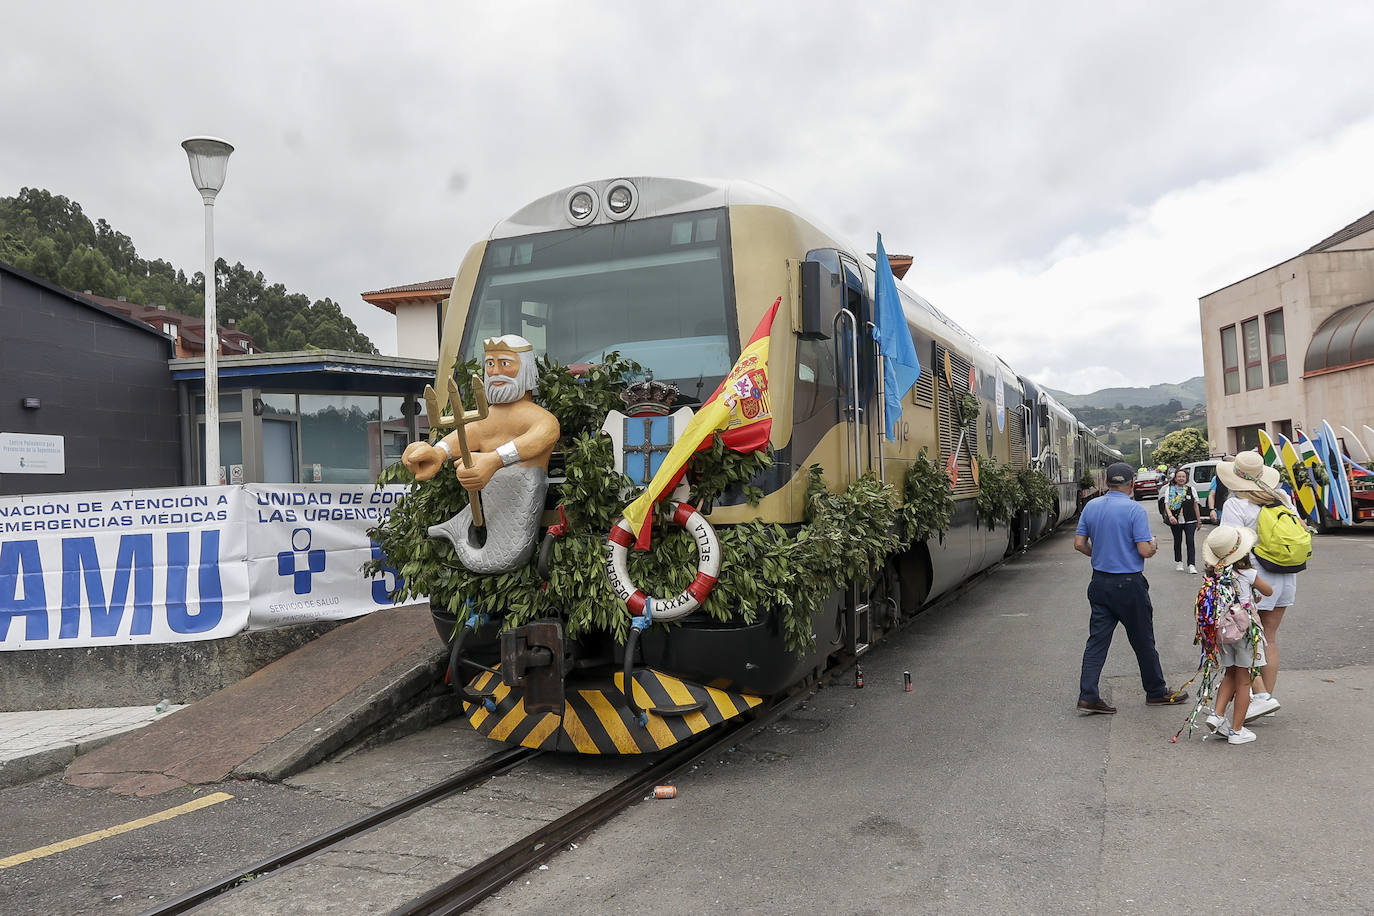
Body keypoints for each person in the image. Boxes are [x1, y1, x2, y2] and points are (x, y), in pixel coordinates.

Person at [402, 334, 561, 573]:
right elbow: (469, 432)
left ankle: (458, 530)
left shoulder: (539, 417)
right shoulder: (486, 417)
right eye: (490, 364)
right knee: (495, 557)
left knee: (509, 554)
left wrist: (494, 460)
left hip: (522, 491)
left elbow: (543, 434)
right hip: (492, 497)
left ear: (526, 369)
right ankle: (457, 529)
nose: (495, 371)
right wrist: (437, 452)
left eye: (505, 364)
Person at [1074, 461, 1189, 714]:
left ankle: (1088, 695)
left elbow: (1080, 544)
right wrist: (1155, 545)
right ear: (1132, 484)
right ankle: (1156, 691)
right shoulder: (1134, 510)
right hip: (1129, 584)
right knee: (1143, 640)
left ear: (1106, 483)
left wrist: (1100, 555)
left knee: (1097, 641)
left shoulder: (1091, 506)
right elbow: (1144, 550)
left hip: (1099, 582)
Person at [1217, 451, 1293, 720]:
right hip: (1285, 575)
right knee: (1268, 638)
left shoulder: (1236, 504)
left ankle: (1261, 698)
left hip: (1254, 577)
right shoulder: (1282, 497)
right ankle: (1266, 700)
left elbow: (1232, 546)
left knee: (1246, 641)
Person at [1199, 525, 1272, 745]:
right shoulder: (1247, 573)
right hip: (1244, 632)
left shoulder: (1214, 574)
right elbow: (1269, 590)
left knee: (1230, 674)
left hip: (1223, 631)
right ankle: (1237, 731)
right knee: (1244, 681)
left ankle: (1218, 715)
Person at [1158, 468, 1200, 573]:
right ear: (1175, 478)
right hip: (1175, 520)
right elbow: (1166, 504)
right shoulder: (1170, 489)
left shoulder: (1191, 489)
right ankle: (1179, 562)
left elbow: (1196, 506)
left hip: (1190, 520)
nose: (1181, 478)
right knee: (1177, 541)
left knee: (1190, 542)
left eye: (1183, 477)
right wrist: (1170, 516)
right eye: (1179, 477)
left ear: (1186, 478)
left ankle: (1191, 564)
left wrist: (1198, 520)